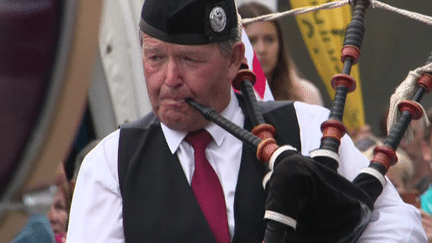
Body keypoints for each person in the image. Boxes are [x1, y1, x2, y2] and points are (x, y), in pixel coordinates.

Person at [66, 0, 426, 242]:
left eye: (190, 60)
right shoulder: (111, 164)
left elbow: (398, 225)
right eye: (155, 57)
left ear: (234, 60)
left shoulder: (306, 129)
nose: (169, 79)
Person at [238, 2, 324, 105]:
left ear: (280, 44)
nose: (262, 49)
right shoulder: (224, 99)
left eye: (269, 39)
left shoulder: (306, 95)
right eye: (251, 41)